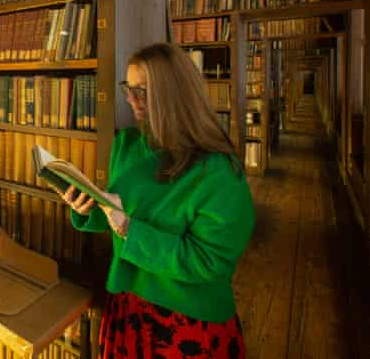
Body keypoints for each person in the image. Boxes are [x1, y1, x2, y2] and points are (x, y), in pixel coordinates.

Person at [64, 43, 255, 359]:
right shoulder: (127, 145)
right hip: (126, 305)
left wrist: (128, 229)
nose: (130, 100)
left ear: (175, 94)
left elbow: (209, 262)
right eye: (128, 88)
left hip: (186, 319)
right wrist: (90, 208)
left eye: (142, 91)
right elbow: (130, 212)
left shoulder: (219, 171)